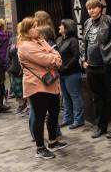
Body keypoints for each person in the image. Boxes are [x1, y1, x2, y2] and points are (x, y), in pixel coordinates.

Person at [18, 16, 66, 160]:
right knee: (39, 117)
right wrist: (54, 56)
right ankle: (40, 148)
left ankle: (52, 141)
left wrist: (53, 56)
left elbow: (55, 54)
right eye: (33, 27)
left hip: (50, 83)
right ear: (26, 31)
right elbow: (50, 60)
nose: (36, 29)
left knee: (54, 112)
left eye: (37, 25)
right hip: (36, 86)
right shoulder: (25, 46)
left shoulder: (39, 40)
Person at [81, 0, 111, 139]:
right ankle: (101, 126)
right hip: (92, 67)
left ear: (100, 8)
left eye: (93, 7)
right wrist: (84, 59)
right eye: (89, 9)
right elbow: (84, 43)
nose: (91, 10)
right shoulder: (87, 23)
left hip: (106, 65)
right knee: (97, 98)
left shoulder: (109, 20)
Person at [57, 19, 84, 129]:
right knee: (65, 97)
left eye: (61, 25)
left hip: (72, 73)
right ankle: (67, 118)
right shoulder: (59, 39)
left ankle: (78, 120)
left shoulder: (73, 40)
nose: (59, 27)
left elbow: (75, 56)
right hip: (61, 73)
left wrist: (66, 67)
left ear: (67, 27)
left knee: (74, 96)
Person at [7, 25, 25, 113]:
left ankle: (28, 105)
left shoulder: (27, 39)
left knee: (25, 88)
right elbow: (9, 52)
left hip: (24, 68)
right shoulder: (13, 39)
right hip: (14, 68)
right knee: (16, 88)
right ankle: (21, 104)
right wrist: (9, 65)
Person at [0, 19, 11, 101]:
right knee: (5, 78)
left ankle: (1, 93)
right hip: (6, 57)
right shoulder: (7, 34)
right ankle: (6, 92)